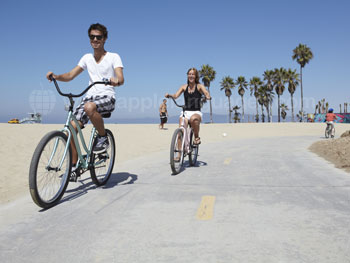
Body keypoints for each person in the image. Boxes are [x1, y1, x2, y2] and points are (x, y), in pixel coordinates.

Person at [46, 23, 124, 179]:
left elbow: (121, 78)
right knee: (70, 129)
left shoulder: (113, 56)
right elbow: (70, 75)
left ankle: (102, 137)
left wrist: (115, 81)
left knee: (89, 107)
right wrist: (56, 76)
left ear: (105, 38)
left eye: (99, 37)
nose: (95, 39)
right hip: (89, 97)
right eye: (92, 37)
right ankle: (74, 167)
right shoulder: (87, 58)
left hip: (107, 97)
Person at [165, 67, 211, 145]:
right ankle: (179, 155)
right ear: (187, 76)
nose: (191, 76)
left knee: (194, 119)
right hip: (186, 112)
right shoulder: (184, 87)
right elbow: (176, 95)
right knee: (180, 130)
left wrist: (207, 96)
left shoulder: (199, 86)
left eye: (193, 74)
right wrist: (169, 95)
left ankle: (196, 137)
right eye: (189, 74)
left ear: (196, 76)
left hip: (196, 112)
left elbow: (206, 92)